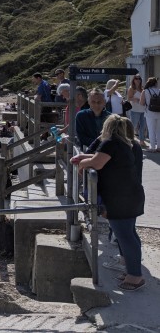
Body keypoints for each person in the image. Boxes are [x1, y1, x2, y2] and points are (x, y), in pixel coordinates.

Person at [71, 115, 145, 291]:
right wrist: (84, 157)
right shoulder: (124, 143)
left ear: (107, 127)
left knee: (125, 237)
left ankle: (135, 276)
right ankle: (131, 270)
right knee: (129, 235)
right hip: (130, 196)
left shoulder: (110, 142)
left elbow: (96, 162)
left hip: (120, 199)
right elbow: (101, 157)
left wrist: (82, 164)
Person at [140, 77, 160, 152]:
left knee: (151, 130)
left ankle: (152, 147)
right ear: (155, 83)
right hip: (159, 113)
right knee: (159, 130)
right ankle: (159, 147)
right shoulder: (159, 91)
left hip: (150, 113)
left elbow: (141, 103)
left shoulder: (145, 91)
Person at [127, 75, 146, 147]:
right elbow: (128, 98)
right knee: (133, 126)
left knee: (143, 126)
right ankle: (129, 140)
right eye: (136, 78)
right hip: (135, 110)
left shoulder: (142, 88)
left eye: (139, 79)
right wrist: (136, 99)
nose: (138, 80)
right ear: (133, 80)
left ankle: (142, 141)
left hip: (143, 110)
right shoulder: (131, 88)